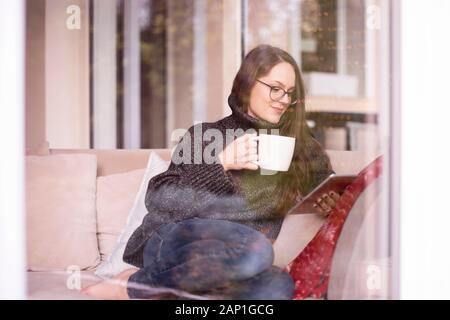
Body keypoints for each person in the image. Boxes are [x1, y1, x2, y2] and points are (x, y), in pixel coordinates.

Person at [82, 44, 340, 300]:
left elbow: (329, 189)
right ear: (248, 84)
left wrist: (330, 203)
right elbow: (160, 200)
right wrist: (221, 164)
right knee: (255, 249)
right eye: (275, 89)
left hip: (236, 263)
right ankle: (131, 287)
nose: (284, 100)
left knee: (278, 286)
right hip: (179, 241)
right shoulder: (205, 135)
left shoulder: (300, 147)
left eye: (289, 93)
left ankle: (177, 290)